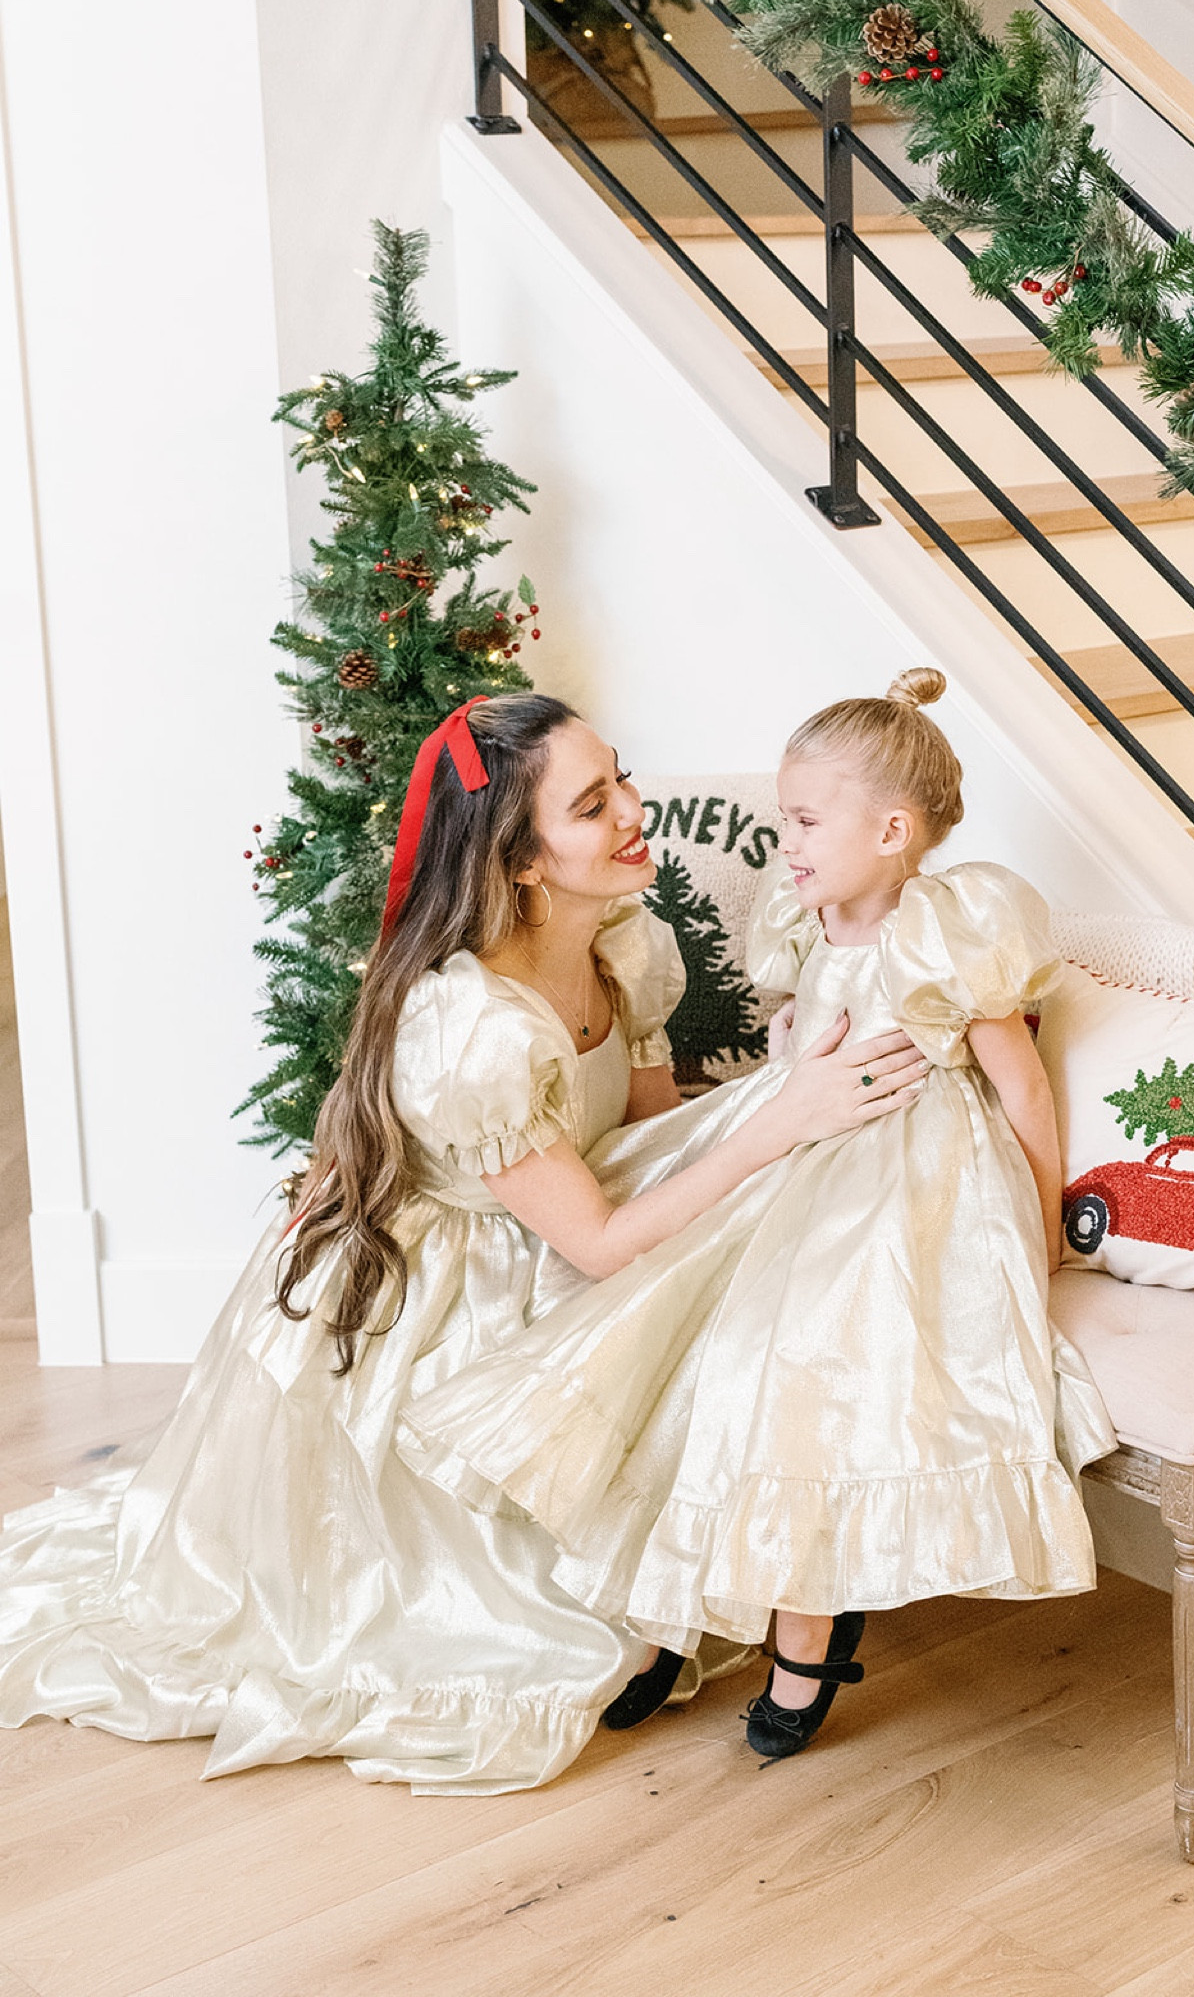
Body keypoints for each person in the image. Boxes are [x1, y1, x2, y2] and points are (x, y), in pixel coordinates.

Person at [0, 692, 925, 1794]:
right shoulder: (471, 1025)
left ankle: (800, 1568)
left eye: (620, 776)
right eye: (592, 805)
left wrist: (770, 1113)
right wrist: (781, 1113)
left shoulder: (625, 939)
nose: (636, 810)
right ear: (522, 860)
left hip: (570, 1227)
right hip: (450, 1296)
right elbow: (595, 1240)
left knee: (758, 1257)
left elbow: (640, 1135)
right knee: (522, 1612)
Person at [400, 671, 1118, 1763]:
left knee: (809, 1374)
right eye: (785, 817)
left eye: (801, 820)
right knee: (702, 1351)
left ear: (889, 828)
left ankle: (807, 1639)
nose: (781, 842)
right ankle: (661, 1616)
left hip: (902, 1179)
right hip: (799, 1152)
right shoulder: (812, 915)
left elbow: (1017, 1084)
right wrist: (790, 1048)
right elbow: (801, 1021)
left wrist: (1039, 1222)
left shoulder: (946, 930)